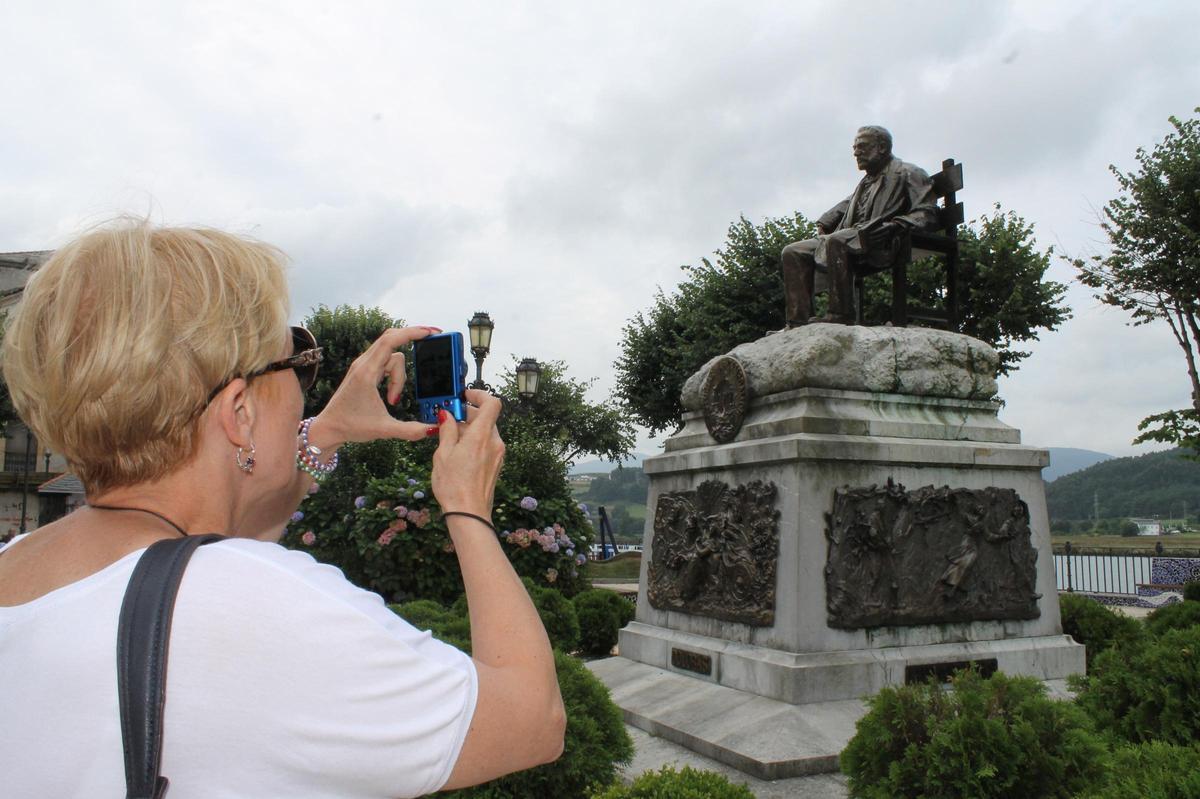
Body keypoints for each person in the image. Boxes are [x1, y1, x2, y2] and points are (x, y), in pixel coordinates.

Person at [0, 221, 565, 797]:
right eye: (299, 360)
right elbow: (531, 721)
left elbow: (206, 534)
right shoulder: (253, 604)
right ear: (239, 410)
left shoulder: (18, 563)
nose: (306, 387)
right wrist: (468, 510)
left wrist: (324, 436)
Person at [780, 125, 939, 325]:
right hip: (852, 238)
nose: (856, 152)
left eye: (862, 146)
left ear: (882, 147)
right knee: (792, 251)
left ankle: (841, 315)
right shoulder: (865, 182)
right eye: (854, 147)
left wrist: (896, 225)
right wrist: (827, 218)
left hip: (882, 240)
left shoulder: (908, 172)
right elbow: (848, 203)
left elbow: (927, 213)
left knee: (837, 240)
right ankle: (797, 322)